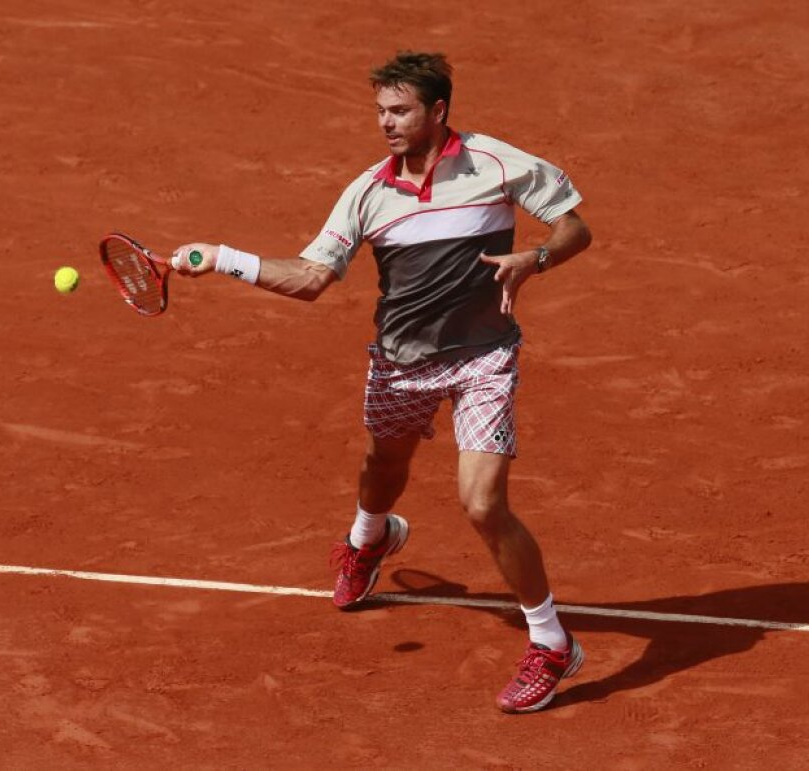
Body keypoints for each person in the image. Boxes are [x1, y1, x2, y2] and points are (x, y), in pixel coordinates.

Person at [171, 51, 592, 713]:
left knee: (482, 503)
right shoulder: (367, 192)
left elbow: (574, 226)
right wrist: (222, 258)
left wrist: (534, 258)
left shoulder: (498, 165)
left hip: (485, 357)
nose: (386, 124)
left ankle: (551, 643)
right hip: (401, 362)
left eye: (399, 111)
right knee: (384, 463)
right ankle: (370, 537)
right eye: (380, 112)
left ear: (438, 112)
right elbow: (312, 278)